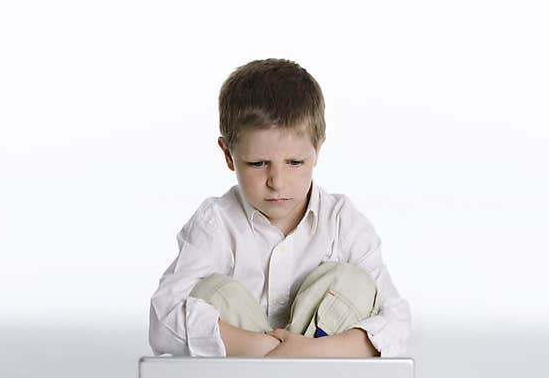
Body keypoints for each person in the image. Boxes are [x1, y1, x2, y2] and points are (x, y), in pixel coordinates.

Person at [149, 58, 410, 358]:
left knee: (354, 283)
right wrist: (265, 349)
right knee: (209, 293)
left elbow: (397, 322)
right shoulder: (216, 223)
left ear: (318, 150)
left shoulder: (342, 221)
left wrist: (311, 351)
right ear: (228, 155)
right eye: (258, 164)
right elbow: (162, 320)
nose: (277, 182)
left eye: (295, 163)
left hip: (319, 376)